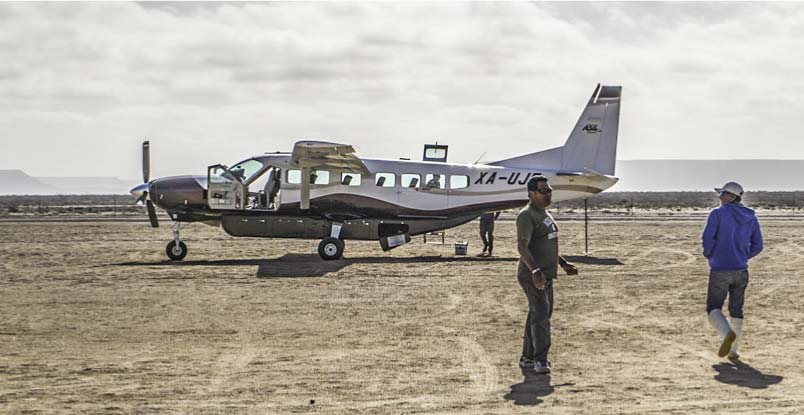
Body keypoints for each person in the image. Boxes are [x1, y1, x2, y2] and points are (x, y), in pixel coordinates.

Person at [516, 176, 578, 373]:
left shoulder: (544, 214)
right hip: (533, 275)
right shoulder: (527, 215)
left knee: (538, 313)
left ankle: (527, 358)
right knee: (542, 315)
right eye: (543, 191)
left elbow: (546, 244)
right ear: (531, 193)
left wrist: (563, 263)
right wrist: (535, 271)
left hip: (546, 274)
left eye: (549, 190)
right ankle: (540, 360)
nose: (548, 193)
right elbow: (522, 246)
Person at [702, 181, 763, 359]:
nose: (719, 197)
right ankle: (733, 350)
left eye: (722, 194)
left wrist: (710, 255)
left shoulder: (717, 214)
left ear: (731, 196)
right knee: (737, 309)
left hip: (720, 267)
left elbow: (707, 239)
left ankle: (727, 333)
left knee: (713, 307)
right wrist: (744, 256)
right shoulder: (751, 216)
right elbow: (758, 245)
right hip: (741, 269)